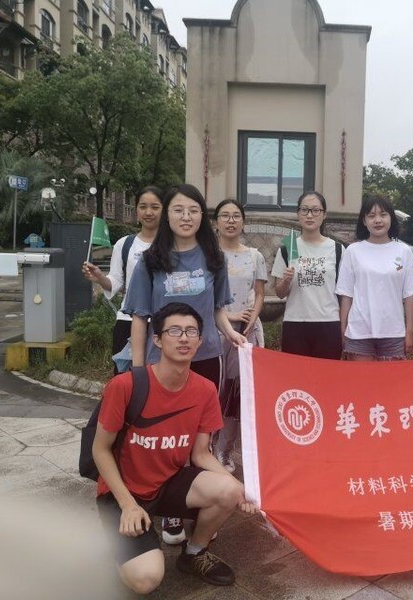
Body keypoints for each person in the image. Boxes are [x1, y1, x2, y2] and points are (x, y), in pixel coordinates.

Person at [93, 302, 256, 594]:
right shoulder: (125, 386)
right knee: (146, 580)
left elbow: (201, 454)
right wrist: (128, 505)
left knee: (229, 490)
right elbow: (100, 450)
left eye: (191, 331)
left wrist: (240, 489)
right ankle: (121, 546)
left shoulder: (205, 390)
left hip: (167, 482)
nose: (184, 338)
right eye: (175, 331)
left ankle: (194, 553)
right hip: (123, 492)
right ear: (157, 339)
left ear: (200, 340)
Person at [124, 183, 246, 544]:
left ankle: (201, 503)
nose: (186, 217)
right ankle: (171, 511)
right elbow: (140, 317)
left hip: (207, 358)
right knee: (165, 436)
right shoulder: (151, 261)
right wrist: (137, 371)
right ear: (167, 215)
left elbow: (218, 309)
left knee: (201, 437)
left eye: (193, 210)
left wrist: (231, 334)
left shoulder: (213, 258)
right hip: (161, 364)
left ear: (201, 217)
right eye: (178, 210)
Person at [82, 186, 163, 374]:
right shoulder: (125, 244)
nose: (148, 212)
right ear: (136, 210)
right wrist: (100, 278)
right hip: (128, 320)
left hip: (163, 323)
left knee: (160, 381)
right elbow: (116, 282)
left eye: (155, 207)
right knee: (126, 379)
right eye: (143, 206)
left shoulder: (173, 245)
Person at [212, 199, 267, 472]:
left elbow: (260, 293)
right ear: (216, 222)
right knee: (213, 391)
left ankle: (225, 449)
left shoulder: (255, 256)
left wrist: (252, 317)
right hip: (215, 332)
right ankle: (204, 448)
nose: (231, 220)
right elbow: (207, 295)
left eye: (236, 216)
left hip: (245, 333)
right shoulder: (207, 255)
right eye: (225, 215)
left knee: (236, 392)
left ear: (243, 221)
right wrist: (230, 316)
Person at [336, 196, 413, 360]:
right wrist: (343, 329)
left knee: (392, 378)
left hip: (394, 332)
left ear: (391, 218)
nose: (377, 220)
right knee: (362, 377)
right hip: (359, 332)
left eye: (383, 214)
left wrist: (410, 331)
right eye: (371, 216)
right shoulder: (353, 251)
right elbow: (346, 295)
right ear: (364, 221)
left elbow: (410, 295)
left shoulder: (403, 251)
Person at [272, 191, 345, 359]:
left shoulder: (337, 249)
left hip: (328, 323)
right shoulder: (289, 247)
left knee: (326, 373)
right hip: (296, 323)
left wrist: (344, 326)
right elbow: (279, 293)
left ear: (324, 214)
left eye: (315, 210)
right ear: (298, 214)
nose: (310, 215)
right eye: (304, 210)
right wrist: (286, 280)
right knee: (296, 374)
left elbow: (344, 293)